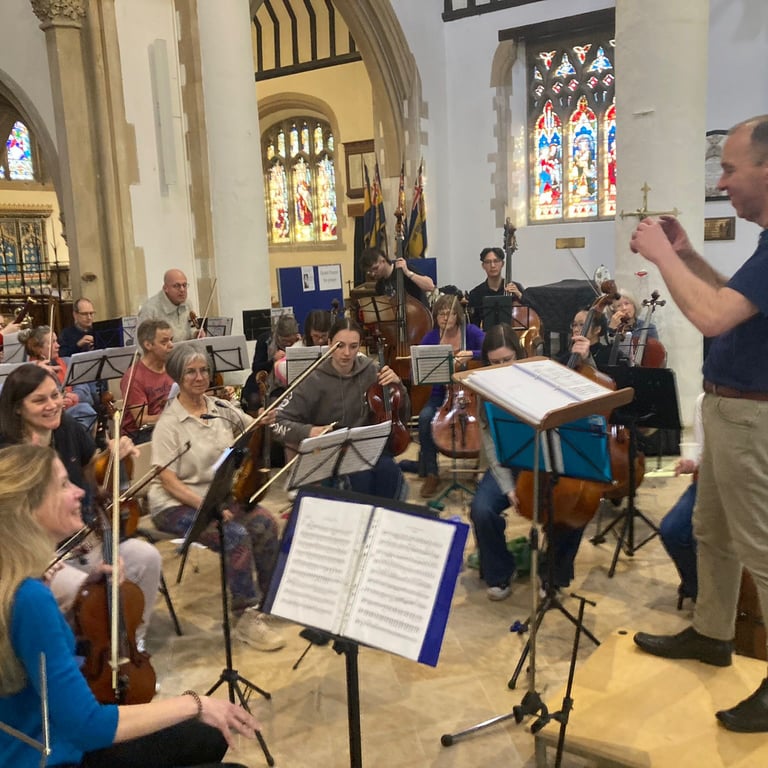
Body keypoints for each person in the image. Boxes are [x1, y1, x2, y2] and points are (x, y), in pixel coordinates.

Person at [630, 114, 768, 733]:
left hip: (753, 418)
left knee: (762, 551)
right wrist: (686, 255)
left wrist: (662, 258)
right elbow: (733, 301)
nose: (723, 180)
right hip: (730, 412)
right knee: (712, 532)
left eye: (732, 169)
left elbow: (711, 318)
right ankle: (713, 634)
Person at [0, 443, 258, 768]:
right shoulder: (29, 597)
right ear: (29, 509)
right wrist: (195, 703)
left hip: (42, 737)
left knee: (208, 735)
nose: (79, 492)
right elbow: (89, 726)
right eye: (64, 485)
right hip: (52, 755)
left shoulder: (15, 578)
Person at [0, 363, 162, 653]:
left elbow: (92, 481)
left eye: (55, 395)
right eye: (39, 400)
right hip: (40, 555)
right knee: (85, 590)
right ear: (17, 409)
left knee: (146, 557)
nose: (53, 405)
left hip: (84, 538)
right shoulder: (7, 451)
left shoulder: (68, 428)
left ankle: (130, 643)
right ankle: (86, 657)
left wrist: (112, 458)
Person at [148, 343, 285, 652]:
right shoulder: (169, 424)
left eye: (203, 370)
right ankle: (244, 616)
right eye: (191, 372)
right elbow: (167, 480)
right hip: (175, 504)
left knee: (265, 522)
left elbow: (252, 426)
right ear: (178, 377)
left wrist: (263, 419)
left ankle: (270, 599)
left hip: (216, 497)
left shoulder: (220, 408)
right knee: (234, 535)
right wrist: (207, 508)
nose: (199, 377)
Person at [469, 324, 586, 600]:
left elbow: (581, 389)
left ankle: (554, 575)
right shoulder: (484, 388)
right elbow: (490, 442)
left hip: (546, 462)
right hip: (508, 464)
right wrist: (508, 487)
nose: (501, 368)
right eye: (494, 362)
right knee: (481, 510)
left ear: (519, 355)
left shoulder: (541, 376)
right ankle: (500, 571)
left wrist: (585, 358)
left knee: (573, 510)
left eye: (507, 360)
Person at [272, 316, 409, 501]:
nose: (346, 353)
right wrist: (309, 431)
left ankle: (384, 516)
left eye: (353, 346)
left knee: (390, 472)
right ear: (329, 343)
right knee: (361, 479)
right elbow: (277, 422)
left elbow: (402, 413)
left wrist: (399, 386)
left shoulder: (371, 370)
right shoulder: (312, 378)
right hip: (331, 453)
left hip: (367, 448)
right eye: (340, 345)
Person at [414, 293, 484, 498]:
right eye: (441, 314)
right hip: (441, 395)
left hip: (472, 393)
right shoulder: (431, 337)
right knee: (425, 419)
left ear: (457, 315)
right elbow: (418, 364)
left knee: (485, 419)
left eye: (450, 313)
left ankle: (481, 468)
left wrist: (472, 354)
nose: (445, 318)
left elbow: (491, 348)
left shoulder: (470, 332)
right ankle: (432, 473)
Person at [658, 393, 704, 604]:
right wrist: (692, 462)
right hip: (708, 484)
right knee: (672, 530)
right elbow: (701, 447)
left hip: (750, 487)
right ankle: (698, 589)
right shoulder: (703, 401)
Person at [20, 325, 98, 431]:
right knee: (84, 410)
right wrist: (59, 400)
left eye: (56, 341)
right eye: (52, 342)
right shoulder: (29, 371)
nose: (58, 345)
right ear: (38, 349)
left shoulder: (68, 362)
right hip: (48, 418)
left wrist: (75, 396)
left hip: (73, 412)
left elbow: (86, 394)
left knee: (85, 409)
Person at [121, 319, 175, 442]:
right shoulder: (134, 377)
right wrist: (173, 416)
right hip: (140, 435)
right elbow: (141, 420)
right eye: (164, 342)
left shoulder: (172, 367)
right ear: (148, 345)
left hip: (167, 425)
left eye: (171, 340)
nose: (171, 345)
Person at [241, 314, 301, 413]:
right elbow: (256, 367)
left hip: (289, 383)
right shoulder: (265, 340)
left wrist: (299, 346)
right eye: (284, 341)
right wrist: (273, 360)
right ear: (277, 335)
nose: (288, 344)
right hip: (266, 381)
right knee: (255, 399)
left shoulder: (300, 342)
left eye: (291, 341)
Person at [466, 246, 526, 327]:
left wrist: (520, 295)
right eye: (488, 262)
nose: (493, 265)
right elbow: (473, 324)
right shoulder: (475, 293)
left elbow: (531, 310)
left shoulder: (516, 287)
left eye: (496, 261)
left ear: (502, 264)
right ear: (483, 266)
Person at [360, 246, 435, 306]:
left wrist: (408, 273)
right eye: (370, 272)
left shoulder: (403, 269)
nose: (373, 274)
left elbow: (430, 286)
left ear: (383, 261)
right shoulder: (379, 286)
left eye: (375, 268)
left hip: (420, 315)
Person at [138, 269, 199, 343]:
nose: (182, 290)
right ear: (165, 288)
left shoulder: (187, 303)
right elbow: (141, 342)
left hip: (186, 349)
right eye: (177, 286)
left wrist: (195, 334)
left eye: (184, 285)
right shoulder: (150, 308)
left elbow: (191, 328)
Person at [557, 308, 627, 370]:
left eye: (582, 325)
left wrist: (587, 359)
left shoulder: (611, 355)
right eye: (574, 325)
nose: (575, 329)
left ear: (597, 329)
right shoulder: (566, 357)